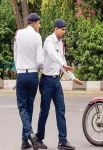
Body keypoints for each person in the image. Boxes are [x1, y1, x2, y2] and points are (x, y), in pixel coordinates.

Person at [35, 19, 84, 150]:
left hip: (56, 82)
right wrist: (62, 64)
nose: (64, 32)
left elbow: (62, 61)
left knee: (61, 110)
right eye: (62, 30)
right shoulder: (49, 40)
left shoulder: (61, 43)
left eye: (64, 30)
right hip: (46, 81)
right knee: (44, 111)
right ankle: (39, 139)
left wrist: (73, 78)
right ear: (56, 28)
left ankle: (62, 141)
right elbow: (53, 54)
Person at [14, 13, 43, 150]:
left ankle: (29, 135)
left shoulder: (18, 34)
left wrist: (19, 67)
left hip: (21, 74)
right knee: (29, 106)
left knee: (22, 107)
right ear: (34, 23)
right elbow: (40, 61)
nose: (40, 26)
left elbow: (15, 55)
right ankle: (25, 141)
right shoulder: (37, 37)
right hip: (32, 75)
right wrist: (38, 68)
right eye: (39, 23)